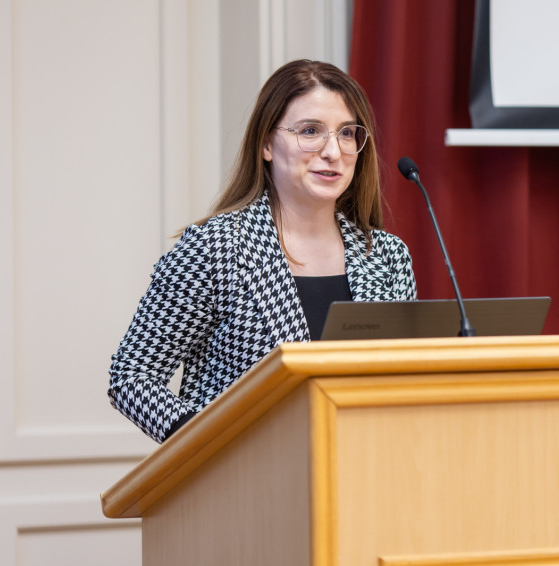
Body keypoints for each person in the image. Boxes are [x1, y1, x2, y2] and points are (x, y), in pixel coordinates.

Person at [108, 59, 417, 443]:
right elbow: (132, 377)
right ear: (267, 144)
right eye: (310, 131)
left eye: (347, 133)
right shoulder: (216, 248)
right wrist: (211, 444)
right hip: (243, 472)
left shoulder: (387, 257)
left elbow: (401, 382)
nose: (333, 151)